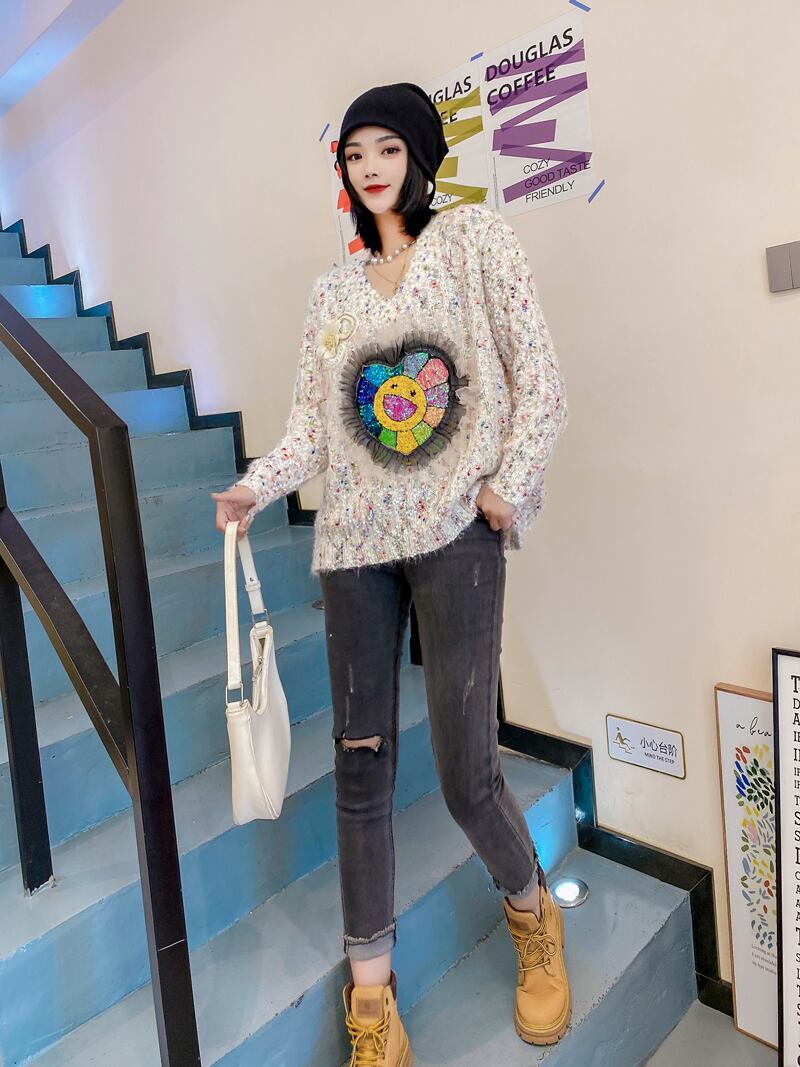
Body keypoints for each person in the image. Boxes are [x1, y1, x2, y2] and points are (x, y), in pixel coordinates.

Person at [212, 81, 571, 1067]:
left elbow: (539, 376)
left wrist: (507, 487)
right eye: (354, 153)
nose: (369, 166)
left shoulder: (474, 241)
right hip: (353, 549)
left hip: (456, 536)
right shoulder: (331, 293)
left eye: (386, 148)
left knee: (466, 773)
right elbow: (310, 427)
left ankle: (532, 910)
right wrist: (255, 485)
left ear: (418, 155)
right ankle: (372, 999)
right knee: (360, 769)